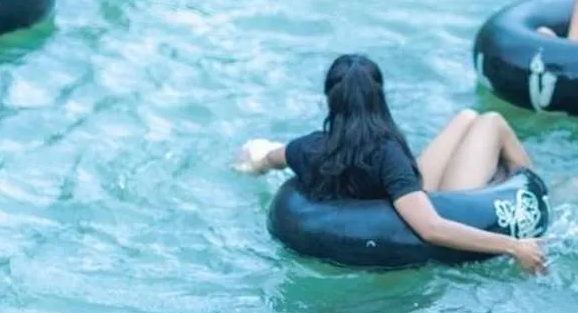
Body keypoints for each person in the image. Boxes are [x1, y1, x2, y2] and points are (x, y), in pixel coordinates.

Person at [234, 54, 548, 274]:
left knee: (467, 118)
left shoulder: (310, 147)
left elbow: (269, 158)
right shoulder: (386, 153)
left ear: (330, 98)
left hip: (403, 191)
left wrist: (251, 160)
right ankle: (542, 195)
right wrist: (514, 246)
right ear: (378, 97)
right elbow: (430, 227)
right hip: (441, 205)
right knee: (490, 121)